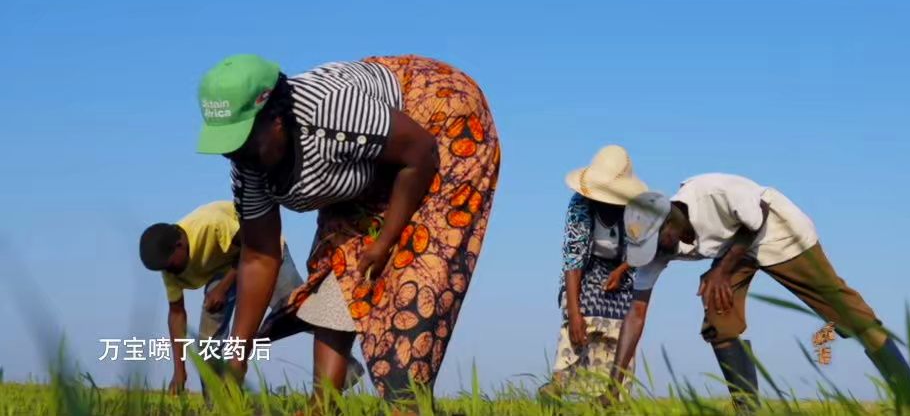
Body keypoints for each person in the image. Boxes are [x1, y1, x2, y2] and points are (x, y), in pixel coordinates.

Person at [193, 54, 500, 406]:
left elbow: (420, 151)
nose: (235, 155)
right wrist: (237, 360)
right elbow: (260, 257)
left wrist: (385, 241)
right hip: (373, 156)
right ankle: (323, 406)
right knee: (334, 269)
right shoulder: (249, 166)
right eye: (226, 145)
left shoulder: (329, 112)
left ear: (276, 119)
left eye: (243, 141)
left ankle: (407, 404)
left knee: (419, 265)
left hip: (438, 121)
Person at [611, 174, 910, 413]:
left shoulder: (711, 192)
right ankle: (747, 411)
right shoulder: (658, 248)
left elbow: (760, 214)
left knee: (847, 314)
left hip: (780, 234)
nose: (655, 253)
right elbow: (636, 314)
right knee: (718, 319)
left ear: (670, 222)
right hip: (736, 250)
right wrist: (613, 388)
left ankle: (908, 396)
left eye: (656, 243)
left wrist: (721, 270)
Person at [139, 200, 363, 394]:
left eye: (169, 265)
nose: (168, 272)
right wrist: (180, 370)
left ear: (179, 245)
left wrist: (223, 287)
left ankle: (344, 367)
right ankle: (219, 403)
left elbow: (254, 250)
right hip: (224, 265)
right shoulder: (168, 268)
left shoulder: (211, 224)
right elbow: (176, 316)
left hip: (264, 250)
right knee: (208, 341)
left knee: (298, 310)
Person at [539, 145, 648, 399]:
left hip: (622, 271)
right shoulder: (580, 204)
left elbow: (644, 249)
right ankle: (557, 385)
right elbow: (572, 258)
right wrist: (575, 314)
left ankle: (612, 394)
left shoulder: (636, 211)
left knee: (624, 323)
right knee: (581, 313)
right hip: (587, 269)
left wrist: (622, 270)